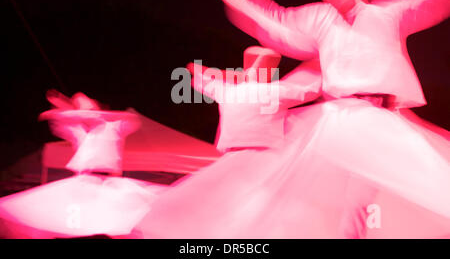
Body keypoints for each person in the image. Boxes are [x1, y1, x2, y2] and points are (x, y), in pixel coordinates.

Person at [206, 0, 450, 237]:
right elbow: (277, 22)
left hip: (379, 119)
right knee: (294, 187)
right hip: (337, 118)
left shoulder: (388, 13)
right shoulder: (321, 20)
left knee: (401, 190)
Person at [135, 46, 344, 238]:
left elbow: (194, 75)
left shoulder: (229, 90)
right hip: (266, 161)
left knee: (228, 206)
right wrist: (322, 59)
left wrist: (225, 74)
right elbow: (310, 89)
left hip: (239, 159)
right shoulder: (275, 91)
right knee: (260, 208)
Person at [0, 92, 163, 238]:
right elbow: (61, 121)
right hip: (84, 183)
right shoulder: (77, 129)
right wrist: (63, 109)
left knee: (119, 222)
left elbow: (132, 120)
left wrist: (95, 114)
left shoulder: (113, 125)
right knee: (77, 223)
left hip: (110, 184)